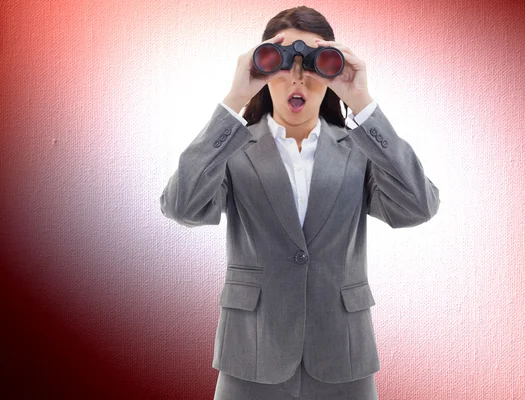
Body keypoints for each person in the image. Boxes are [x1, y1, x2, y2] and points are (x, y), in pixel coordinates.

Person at [160, 6, 440, 400]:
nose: (297, 76)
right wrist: (235, 98)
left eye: (313, 62)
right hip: (251, 353)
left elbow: (418, 206)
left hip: (343, 355)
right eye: (281, 62)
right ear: (262, 67)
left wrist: (363, 104)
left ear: (331, 69)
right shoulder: (235, 146)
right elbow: (182, 206)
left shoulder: (358, 149)